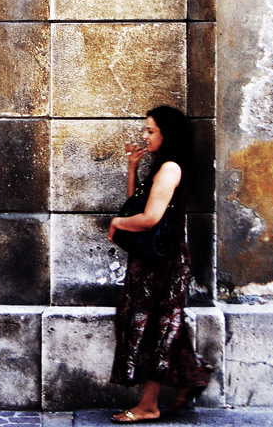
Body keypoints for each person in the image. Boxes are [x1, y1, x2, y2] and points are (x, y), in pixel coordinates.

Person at [107, 106, 211, 424]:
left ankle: (149, 405)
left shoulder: (170, 169)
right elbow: (136, 208)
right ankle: (193, 376)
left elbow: (150, 218)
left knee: (156, 330)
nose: (144, 135)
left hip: (164, 263)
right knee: (162, 326)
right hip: (153, 260)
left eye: (150, 131)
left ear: (167, 134)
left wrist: (116, 223)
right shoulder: (161, 167)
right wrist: (132, 168)